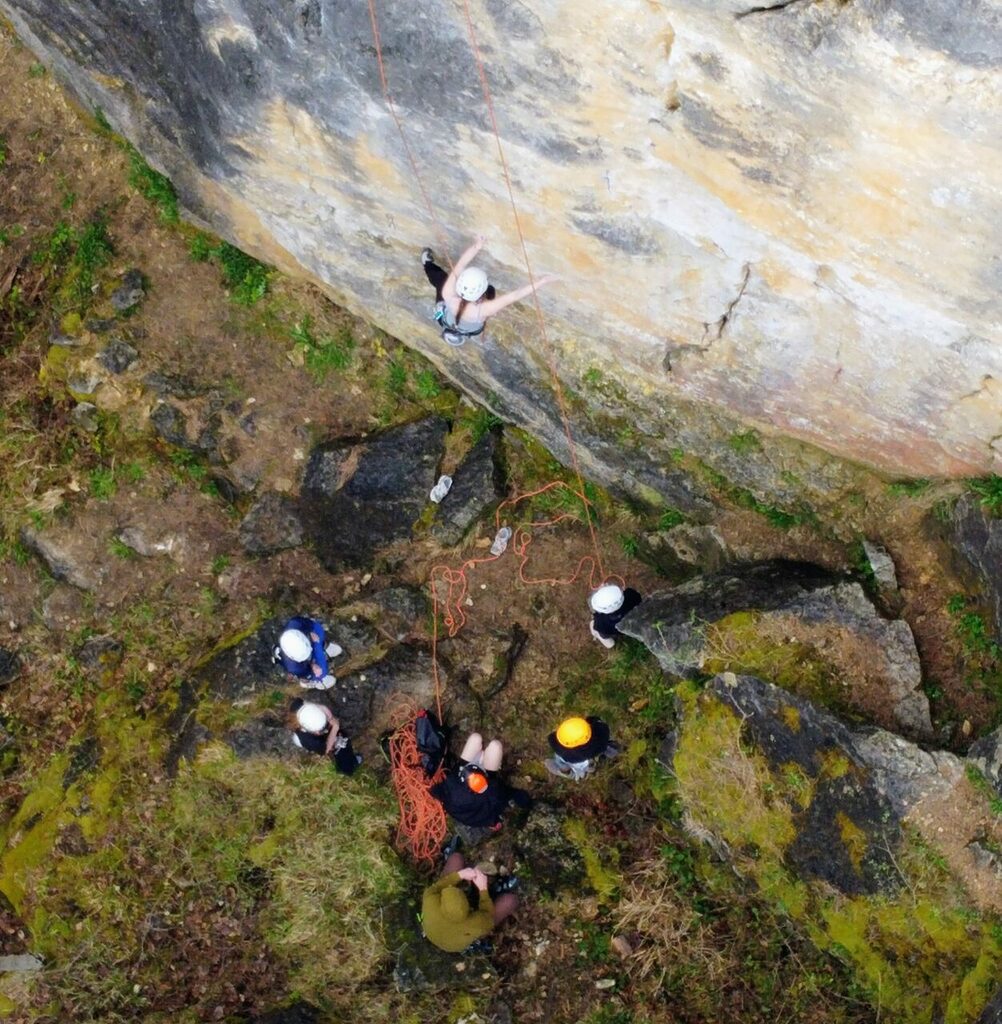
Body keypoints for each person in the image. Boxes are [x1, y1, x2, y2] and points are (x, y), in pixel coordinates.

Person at [422, 234, 560, 346]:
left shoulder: (448, 293)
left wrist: (477, 246)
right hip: (459, 323)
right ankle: (427, 263)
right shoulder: (484, 309)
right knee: (491, 291)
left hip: (449, 319)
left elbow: (460, 266)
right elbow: (514, 295)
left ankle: (427, 264)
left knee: (441, 280)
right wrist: (542, 281)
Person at [421, 850, 518, 953]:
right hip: (453, 943)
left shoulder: (430, 899)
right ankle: (498, 890)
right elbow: (488, 918)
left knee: (456, 859)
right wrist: (483, 889)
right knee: (510, 901)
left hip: (432, 927)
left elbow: (438, 886)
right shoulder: (473, 925)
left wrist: (460, 875)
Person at [430, 732, 531, 830]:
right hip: (486, 774)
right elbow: (506, 794)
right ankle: (486, 759)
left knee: (476, 737)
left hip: (465, 768)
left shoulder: (452, 786)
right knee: (496, 746)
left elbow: (436, 791)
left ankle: (480, 756)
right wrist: (494, 821)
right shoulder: (491, 792)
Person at [289, 698, 361, 775]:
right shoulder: (308, 740)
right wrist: (335, 729)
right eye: (319, 731)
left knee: (339, 735)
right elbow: (325, 749)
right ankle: (347, 768)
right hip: (318, 741)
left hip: (318, 727)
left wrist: (329, 716)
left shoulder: (303, 707)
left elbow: (321, 708)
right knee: (341, 751)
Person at [273, 615, 342, 689]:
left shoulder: (295, 623)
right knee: (320, 673)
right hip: (303, 664)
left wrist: (311, 631)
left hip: (308, 637)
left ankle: (322, 647)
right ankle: (312, 681)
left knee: (318, 631)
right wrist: (312, 666)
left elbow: (312, 624)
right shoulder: (295, 668)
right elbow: (308, 672)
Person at [544, 716, 619, 781]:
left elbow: (551, 738)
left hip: (577, 762)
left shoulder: (565, 753)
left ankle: (568, 773)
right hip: (597, 749)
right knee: (606, 748)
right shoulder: (600, 733)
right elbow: (597, 721)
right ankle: (608, 753)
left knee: (560, 762)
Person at [589, 584, 642, 649]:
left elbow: (599, 627)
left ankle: (607, 640)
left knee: (598, 629)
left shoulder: (600, 621)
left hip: (618, 631)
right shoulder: (631, 595)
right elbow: (638, 598)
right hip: (636, 621)